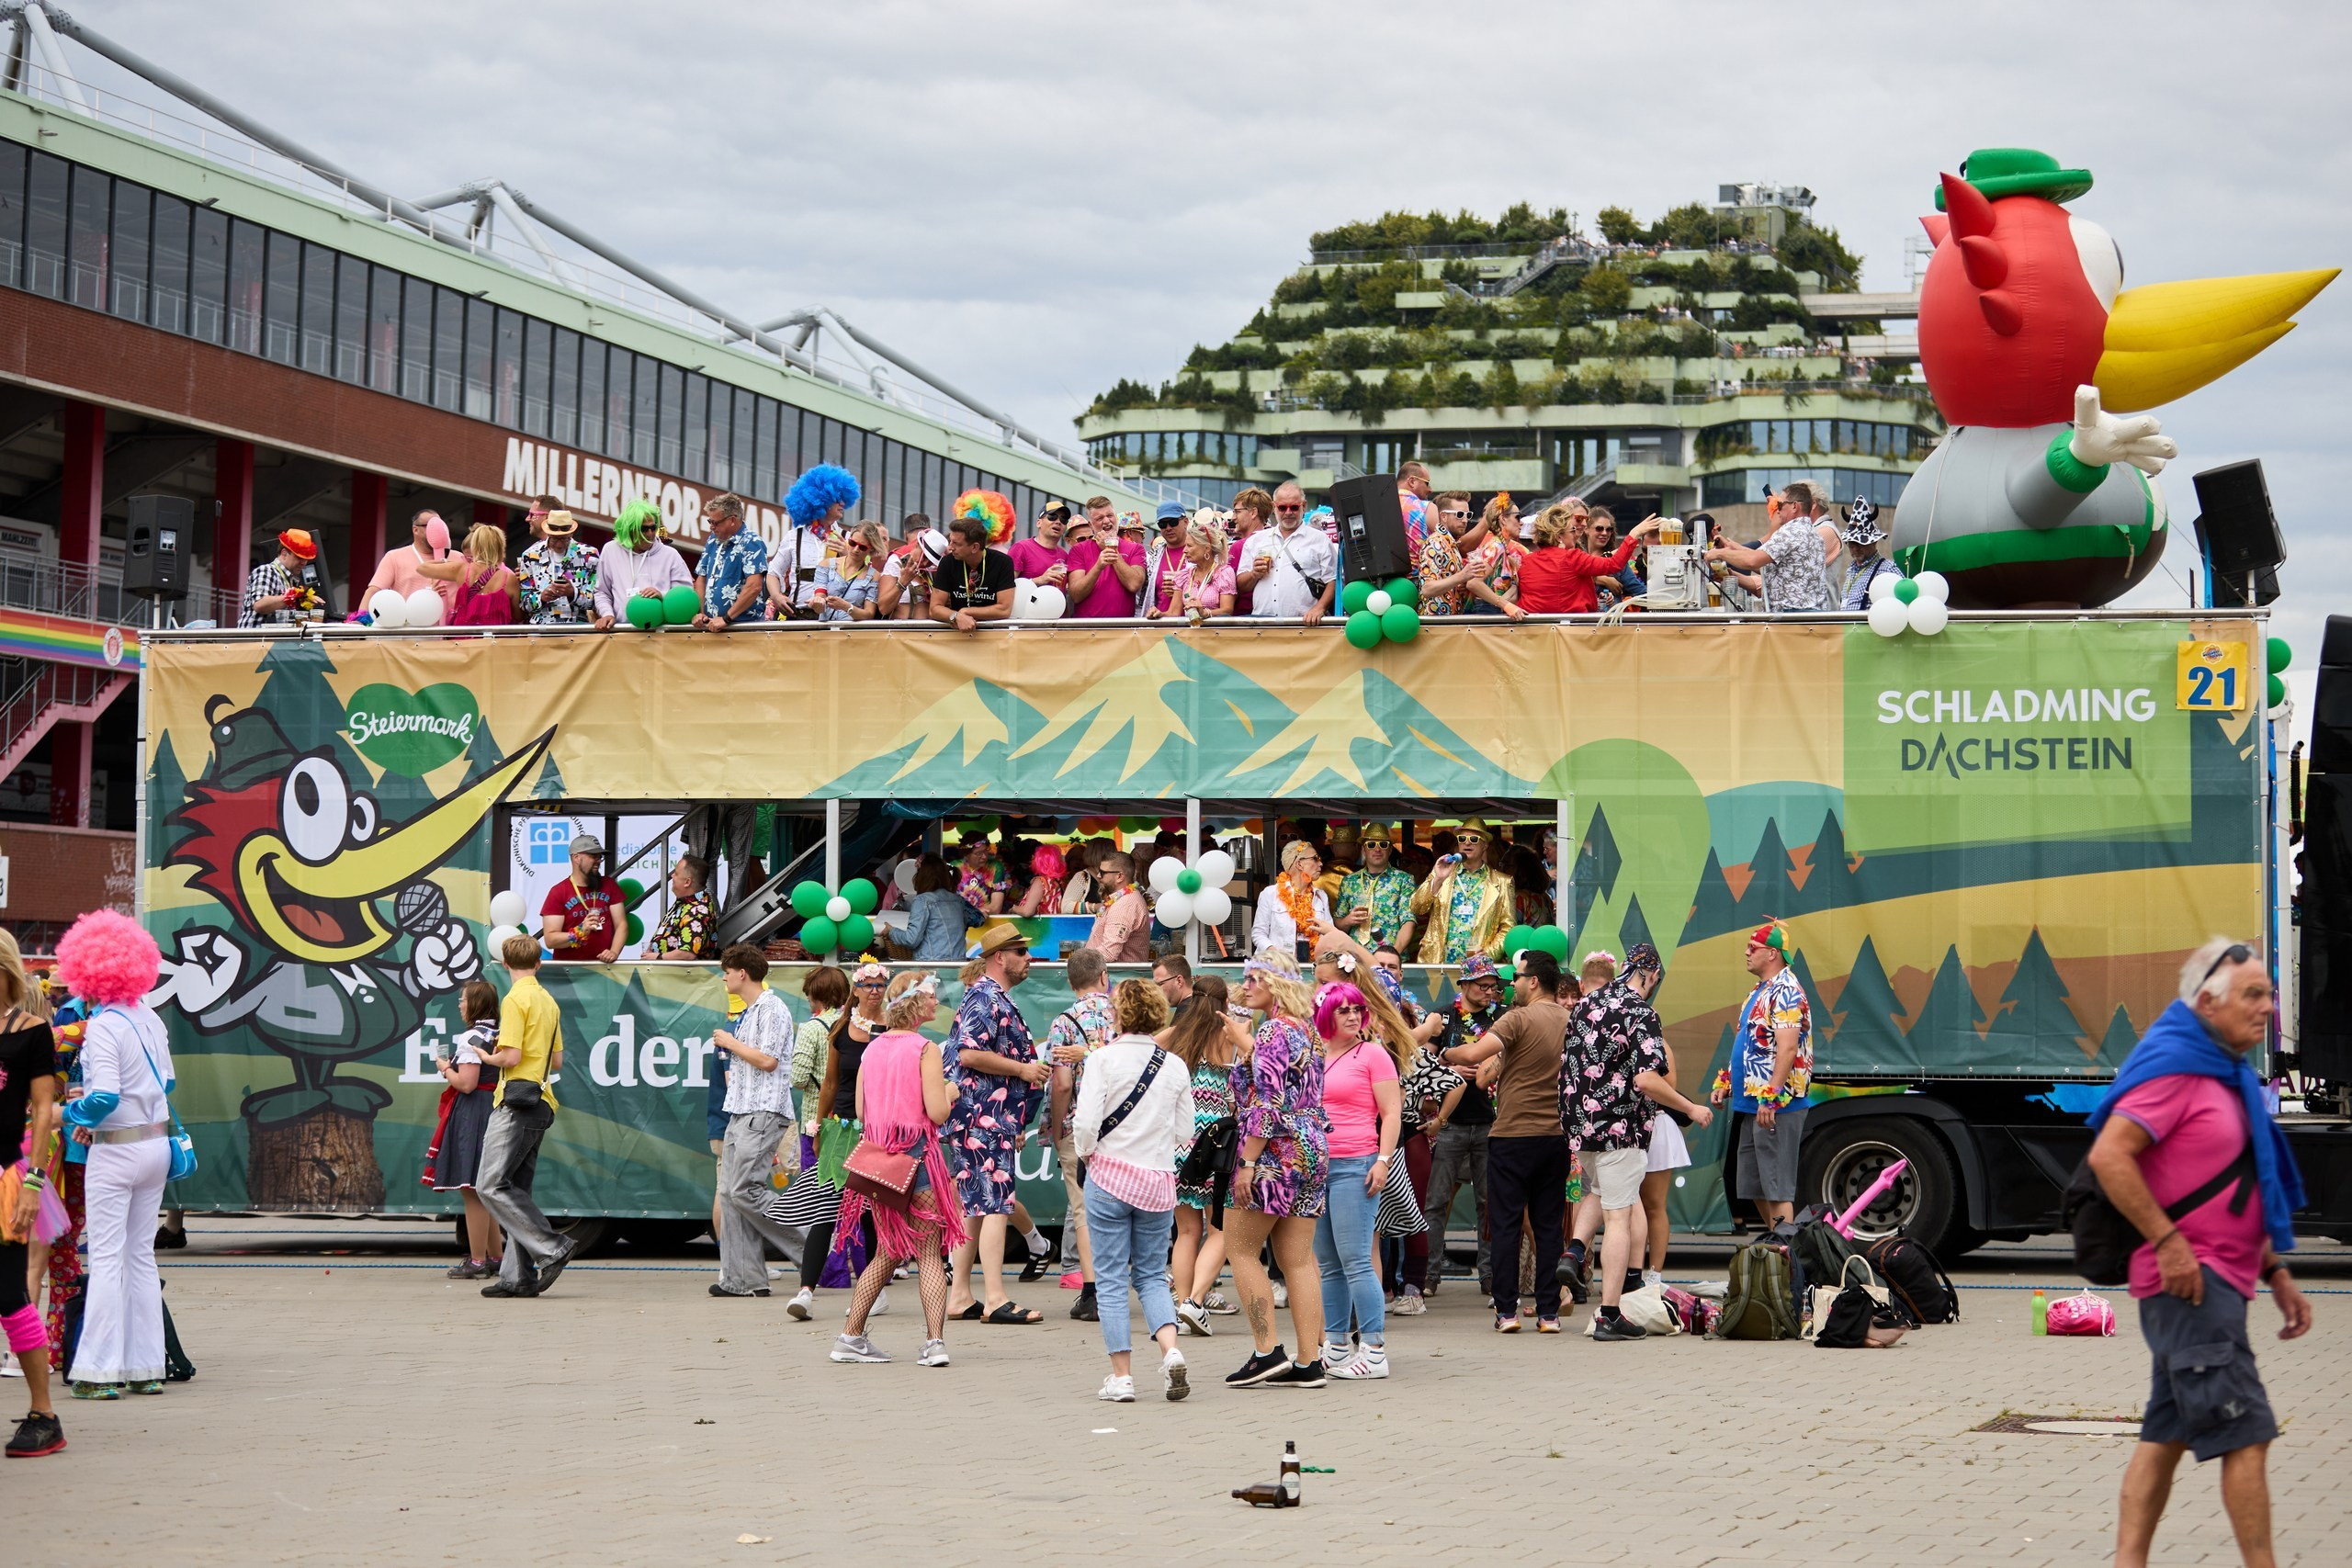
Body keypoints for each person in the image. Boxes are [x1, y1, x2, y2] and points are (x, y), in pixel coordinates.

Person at [2087, 939, 2312, 1568]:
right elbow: (2110, 1154)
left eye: (2269, 993)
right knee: (2248, 1433)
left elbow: (2240, 1181)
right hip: (2190, 1284)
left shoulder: (2228, 1074)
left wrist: (2278, 1271)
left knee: (2165, 1433)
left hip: (2218, 1280)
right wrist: (2168, 1241)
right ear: (2207, 1002)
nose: (2267, 1006)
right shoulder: (2178, 1071)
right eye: (2253, 994)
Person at [1562, 943, 1712, 1340]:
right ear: (1649, 975)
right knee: (1619, 1217)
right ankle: (1610, 1313)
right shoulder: (1641, 1011)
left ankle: (1574, 1249)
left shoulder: (1586, 1003)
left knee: (1597, 1192)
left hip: (1581, 1125)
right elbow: (1647, 1080)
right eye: (1655, 980)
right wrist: (1691, 1109)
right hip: (1620, 1128)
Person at [53, 910, 173, 1395]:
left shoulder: (103, 1026)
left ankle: (98, 1371)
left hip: (117, 1152)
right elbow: (166, 1083)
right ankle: (146, 1368)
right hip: (156, 1145)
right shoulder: (151, 1019)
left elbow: (102, 1097)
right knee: (140, 1256)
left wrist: (64, 1115)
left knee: (105, 1258)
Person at [828, 973, 964, 1368]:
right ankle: (934, 1343)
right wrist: (951, 1092)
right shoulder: (926, 1049)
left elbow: (860, 1110)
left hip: (881, 1163)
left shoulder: (871, 1049)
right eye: (933, 998)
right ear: (917, 1005)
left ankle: (850, 1336)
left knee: (888, 1250)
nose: (937, 1004)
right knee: (927, 1251)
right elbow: (937, 1112)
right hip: (919, 1157)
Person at [1073, 978, 1196, 1402]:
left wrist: (1087, 1154)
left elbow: (1086, 1123)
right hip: (1157, 1182)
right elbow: (1185, 1131)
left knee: (1109, 1279)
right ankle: (1171, 1350)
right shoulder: (1175, 1064)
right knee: (1151, 1277)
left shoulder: (1102, 1060)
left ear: (1118, 1015)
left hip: (1108, 1178)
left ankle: (1122, 1377)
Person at [1442, 948, 1571, 1333]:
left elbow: (1474, 1054)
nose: (1510, 985)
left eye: (1516, 977)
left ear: (1533, 981)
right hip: (1555, 1136)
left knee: (1507, 1225)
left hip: (1512, 1134)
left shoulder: (1517, 1019)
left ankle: (1507, 1312)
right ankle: (1548, 1314)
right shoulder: (1572, 1019)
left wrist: (1444, 1049)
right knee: (1548, 1226)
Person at [1220, 949, 1330, 1388]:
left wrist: (1247, 1162)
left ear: (1276, 984)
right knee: (1298, 1259)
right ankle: (1310, 1361)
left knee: (1242, 1249)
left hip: (1274, 1151)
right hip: (1312, 1145)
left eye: (1253, 979)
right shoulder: (1309, 1033)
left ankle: (1266, 1352)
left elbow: (1267, 1104)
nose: (1245, 986)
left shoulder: (1271, 1034)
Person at [942, 927, 1050, 1324]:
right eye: (1021, 951)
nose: (1028, 958)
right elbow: (970, 1054)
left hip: (980, 1114)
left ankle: (959, 1296)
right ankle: (995, 1297)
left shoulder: (989, 996)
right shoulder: (985, 996)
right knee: (996, 1205)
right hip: (982, 1114)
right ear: (999, 957)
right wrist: (1023, 1068)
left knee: (975, 1207)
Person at [470, 935, 575, 1299]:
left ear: (503, 964)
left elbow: (511, 1057)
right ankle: (518, 1277)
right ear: (539, 964)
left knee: (490, 1184)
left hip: (516, 1100)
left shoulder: (515, 999)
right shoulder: (548, 1000)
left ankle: (551, 1246)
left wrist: (487, 1057)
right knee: (514, 1188)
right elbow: (557, 1060)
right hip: (542, 1099)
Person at [1308, 981, 1402, 1381]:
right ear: (1326, 1013)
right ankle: (1335, 1346)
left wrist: (1383, 1161)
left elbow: (1392, 1113)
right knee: (1329, 1264)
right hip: (1318, 1168)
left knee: (1357, 1261)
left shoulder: (1374, 1054)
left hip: (1356, 1164)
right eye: (1342, 1009)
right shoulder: (1314, 1056)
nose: (1351, 1015)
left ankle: (1375, 1351)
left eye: (1357, 1009)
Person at [786, 965, 888, 1322]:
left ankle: (875, 1291)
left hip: (878, 1133)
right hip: (839, 1130)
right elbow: (828, 1084)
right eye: (866, 985)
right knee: (824, 1210)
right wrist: (818, 1129)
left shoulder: (892, 1029)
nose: (874, 990)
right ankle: (805, 1292)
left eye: (880, 984)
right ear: (854, 991)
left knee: (873, 1214)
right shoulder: (841, 1029)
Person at [708, 946, 801, 1298]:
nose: (724, 978)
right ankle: (743, 1280)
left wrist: (731, 1043)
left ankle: (815, 1247)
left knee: (743, 1191)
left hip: (762, 1111)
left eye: (727, 972)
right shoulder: (751, 1012)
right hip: (742, 1110)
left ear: (742, 974)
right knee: (731, 1195)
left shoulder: (771, 1008)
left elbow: (768, 1061)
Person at [1, 929, 62, 1454]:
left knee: (9, 1294)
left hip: (5, 1181)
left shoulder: (32, 1031)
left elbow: (43, 1110)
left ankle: (44, 1414)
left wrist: (33, 1185)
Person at [1709, 919, 1814, 1226]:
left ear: (1772, 953)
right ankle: (1776, 1245)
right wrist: (1727, 1082)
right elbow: (1750, 1043)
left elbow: (1788, 1049)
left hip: (1776, 1106)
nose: (1746, 952)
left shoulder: (1787, 991)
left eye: (1752, 948)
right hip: (1753, 1104)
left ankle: (1786, 1261)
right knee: (1754, 1185)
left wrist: (1771, 1098)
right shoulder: (1760, 990)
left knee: (1777, 1187)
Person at [1415, 953, 1504, 1297]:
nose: (1489, 991)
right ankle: (1429, 1276)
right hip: (1448, 1123)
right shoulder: (1444, 1016)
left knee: (1489, 1203)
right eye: (1482, 985)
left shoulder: (1503, 1018)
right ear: (1463, 984)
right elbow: (1423, 1060)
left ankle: (1489, 1277)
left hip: (1490, 1122)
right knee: (1435, 1202)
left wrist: (1486, 1067)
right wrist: (1450, 1069)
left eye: (1493, 986)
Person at [1170, 975, 1248, 1334]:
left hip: (1178, 1140)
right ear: (1223, 1002)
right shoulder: (1227, 1032)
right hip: (1214, 1143)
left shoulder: (1178, 1033)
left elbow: (1144, 1049)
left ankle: (1180, 1308)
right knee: (1222, 1227)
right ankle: (1194, 1302)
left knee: (1186, 1231)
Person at [1044, 947, 1117, 1323]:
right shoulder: (1124, 1015)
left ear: (1071, 982)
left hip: (1082, 1125)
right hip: (1126, 1125)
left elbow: (1061, 1084)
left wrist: (1057, 1128)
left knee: (1085, 1208)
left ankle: (1093, 1292)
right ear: (1104, 976)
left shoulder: (1065, 1023)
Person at [425, 978, 505, 1281]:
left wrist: (444, 1067)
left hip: (474, 1113)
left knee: (471, 1190)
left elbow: (467, 1084)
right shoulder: (497, 1032)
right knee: (482, 1190)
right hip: (491, 1109)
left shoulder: (471, 1036)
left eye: (463, 999)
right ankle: (496, 1257)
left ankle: (476, 1261)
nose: (460, 1004)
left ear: (476, 1004)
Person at [1705, 480, 1834, 612]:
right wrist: (1730, 547)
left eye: (1780, 504)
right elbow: (1763, 560)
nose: (1777, 510)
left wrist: (1718, 554)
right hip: (1806, 617)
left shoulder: (1791, 531)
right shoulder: (1812, 532)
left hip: (1792, 616)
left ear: (1795, 506)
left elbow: (1753, 561)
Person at [1515, 504, 1663, 615]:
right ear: (1559, 536)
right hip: (1571, 631)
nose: (1575, 533)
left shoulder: (1526, 561)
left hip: (1534, 633)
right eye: (1572, 530)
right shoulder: (1572, 557)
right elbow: (1614, 564)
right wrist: (1634, 533)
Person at [1408, 818, 1514, 965]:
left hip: (1478, 967)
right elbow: (1417, 907)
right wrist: (1437, 879)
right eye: (1462, 838)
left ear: (1485, 845)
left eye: (1474, 839)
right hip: (1439, 963)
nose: (1467, 842)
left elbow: (1508, 927)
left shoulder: (1503, 882)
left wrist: (1490, 953)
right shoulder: (1442, 872)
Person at [1238, 480, 1336, 626]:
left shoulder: (1320, 540)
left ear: (1303, 506)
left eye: (1294, 507)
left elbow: (1332, 581)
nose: (1288, 512)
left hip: (1303, 625)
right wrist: (1254, 574)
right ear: (1274, 507)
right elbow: (1241, 585)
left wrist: (1319, 608)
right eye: (1282, 507)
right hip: (1262, 625)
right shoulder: (1256, 540)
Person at [593, 499, 694, 629]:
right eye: (644, 529)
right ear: (630, 529)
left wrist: (662, 595)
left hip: (660, 634)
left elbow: (685, 597)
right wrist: (607, 614)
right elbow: (602, 592)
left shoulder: (671, 554)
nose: (650, 533)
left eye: (653, 527)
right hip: (620, 633)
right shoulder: (610, 550)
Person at [539, 833, 625, 962]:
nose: (598, 861)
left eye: (600, 857)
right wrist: (580, 931)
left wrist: (614, 951)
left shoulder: (609, 885)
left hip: (603, 967)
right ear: (576, 858)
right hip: (569, 971)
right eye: (593, 856)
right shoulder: (558, 892)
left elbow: (622, 924)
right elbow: (550, 940)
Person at [692, 493, 771, 631]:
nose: (711, 527)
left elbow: (754, 586)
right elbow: (701, 579)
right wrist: (701, 613)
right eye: (709, 521)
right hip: (711, 627)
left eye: (715, 522)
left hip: (744, 629)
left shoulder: (752, 542)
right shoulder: (712, 540)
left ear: (732, 520)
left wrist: (726, 619)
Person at [413, 522, 518, 624]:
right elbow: (518, 616)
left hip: (464, 638)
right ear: (501, 548)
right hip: (497, 639)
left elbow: (422, 568)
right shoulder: (510, 578)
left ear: (475, 547)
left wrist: (446, 562)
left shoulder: (462, 569)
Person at [1336, 824, 1418, 953]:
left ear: (1390, 850)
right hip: (1355, 957)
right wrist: (1347, 921)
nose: (1377, 849)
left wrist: (1393, 954)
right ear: (1363, 850)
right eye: (1371, 845)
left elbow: (1409, 921)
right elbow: (1338, 924)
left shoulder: (1404, 880)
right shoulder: (1349, 881)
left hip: (1390, 958)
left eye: (1383, 845)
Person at [929, 513, 1016, 634]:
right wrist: (956, 616)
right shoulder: (947, 562)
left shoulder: (1003, 562)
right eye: (951, 541)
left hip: (994, 636)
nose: (950, 547)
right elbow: (934, 609)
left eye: (957, 544)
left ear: (975, 547)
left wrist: (966, 612)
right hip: (958, 635)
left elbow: (1004, 609)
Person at [1252, 840, 1334, 964]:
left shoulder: (1321, 896)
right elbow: (1258, 934)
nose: (1321, 863)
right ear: (1299, 864)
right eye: (1315, 859)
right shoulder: (1270, 894)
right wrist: (1277, 957)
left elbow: (1329, 934)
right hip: (1274, 969)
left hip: (1311, 967)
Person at [363, 509, 457, 613]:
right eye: (430, 526)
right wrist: (360, 619)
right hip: (411, 625)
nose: (436, 530)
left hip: (453, 627)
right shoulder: (394, 557)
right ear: (415, 530)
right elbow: (373, 590)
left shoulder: (458, 557)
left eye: (439, 526)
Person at [1067, 497, 1147, 618]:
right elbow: (1076, 595)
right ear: (1091, 525)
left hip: (1123, 630)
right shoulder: (1078, 550)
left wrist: (1110, 549)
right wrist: (1098, 567)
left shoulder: (1135, 549)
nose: (1106, 521)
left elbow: (1134, 584)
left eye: (1110, 515)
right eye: (1099, 518)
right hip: (1086, 629)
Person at [516, 507, 596, 626]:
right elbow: (524, 602)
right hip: (541, 629)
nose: (559, 544)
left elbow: (596, 601)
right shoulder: (530, 555)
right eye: (554, 538)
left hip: (577, 630)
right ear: (547, 532)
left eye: (564, 538)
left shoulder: (589, 555)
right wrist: (542, 597)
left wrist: (573, 593)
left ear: (571, 533)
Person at [1154, 515, 1236, 622]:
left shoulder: (1223, 573)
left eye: (1189, 546)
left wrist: (1205, 613)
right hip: (1189, 634)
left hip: (1215, 634)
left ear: (1206, 548)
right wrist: (1159, 614)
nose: (1184, 551)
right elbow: (1174, 612)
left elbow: (1227, 610)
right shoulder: (1184, 575)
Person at [900, 854, 980, 961]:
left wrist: (891, 931)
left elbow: (911, 940)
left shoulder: (922, 901)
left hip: (930, 968)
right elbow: (979, 919)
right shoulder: (958, 901)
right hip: (958, 965)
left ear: (922, 877)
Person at [238, 528, 322, 627]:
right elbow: (259, 605)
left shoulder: (291, 580)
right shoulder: (267, 571)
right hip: (254, 640)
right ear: (284, 553)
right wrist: (294, 596)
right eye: (299, 558)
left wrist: (303, 599)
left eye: (306, 559)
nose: (304, 563)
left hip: (269, 640)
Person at [1085, 851, 1151, 964]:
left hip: (1118, 979)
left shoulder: (1124, 905)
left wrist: (1079, 961)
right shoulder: (1123, 899)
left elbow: (1109, 953)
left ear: (1119, 876)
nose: (1098, 876)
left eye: (1103, 872)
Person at [646, 855, 718, 961]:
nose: (672, 876)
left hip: (680, 975)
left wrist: (658, 957)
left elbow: (687, 954)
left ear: (687, 882)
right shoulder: (685, 903)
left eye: (676, 873)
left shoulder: (697, 912)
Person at [814, 522, 887, 621]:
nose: (856, 549)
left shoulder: (874, 576)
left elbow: (869, 614)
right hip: (825, 632)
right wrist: (817, 603)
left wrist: (847, 607)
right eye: (853, 543)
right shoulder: (825, 565)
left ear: (871, 549)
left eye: (862, 547)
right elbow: (819, 599)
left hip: (852, 634)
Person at [1838, 498, 1898, 610]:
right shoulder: (1851, 570)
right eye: (1851, 544)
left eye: (1860, 543)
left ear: (1874, 542)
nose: (1855, 549)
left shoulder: (1888, 569)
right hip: (1848, 626)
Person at [1010, 501, 1076, 602]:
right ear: (1038, 523)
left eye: (1063, 519)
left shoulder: (1064, 555)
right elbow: (1005, 587)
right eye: (1052, 516)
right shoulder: (1021, 547)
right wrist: (1040, 580)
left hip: (1057, 615)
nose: (1058, 522)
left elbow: (1062, 593)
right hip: (1029, 615)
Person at [877, 523, 944, 621]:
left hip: (928, 633)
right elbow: (883, 608)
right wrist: (903, 581)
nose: (925, 563)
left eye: (931, 561)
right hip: (901, 632)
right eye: (924, 556)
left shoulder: (931, 571)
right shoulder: (896, 562)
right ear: (917, 544)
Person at [1227, 487, 1272, 615]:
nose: (1233, 518)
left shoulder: (1239, 546)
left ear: (1253, 513)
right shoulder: (1275, 542)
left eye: (1237, 512)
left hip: (1243, 620)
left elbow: (1228, 589)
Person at [1011, 843, 1067, 918]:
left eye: (1034, 858)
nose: (1031, 859)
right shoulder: (1059, 882)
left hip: (1039, 927)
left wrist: (1014, 908)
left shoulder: (1041, 882)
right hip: (1053, 926)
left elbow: (1027, 911)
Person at [1153, 953, 1195, 1018]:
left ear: (1179, 981)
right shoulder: (1200, 1005)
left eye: (1160, 984)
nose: (1156, 990)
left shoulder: (1186, 1013)